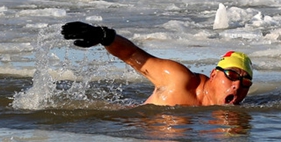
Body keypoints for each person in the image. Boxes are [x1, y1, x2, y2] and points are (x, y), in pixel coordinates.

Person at [61, 21, 253, 106]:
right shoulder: (178, 80)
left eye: (245, 82)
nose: (237, 85)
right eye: (232, 75)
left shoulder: (232, 117)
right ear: (214, 74)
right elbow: (136, 57)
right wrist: (104, 36)